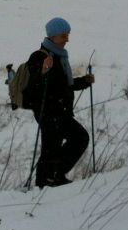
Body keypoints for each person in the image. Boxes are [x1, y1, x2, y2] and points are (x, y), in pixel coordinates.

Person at [25, 17, 95, 187]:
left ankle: (50, 178)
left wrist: (84, 81)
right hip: (47, 112)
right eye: (64, 35)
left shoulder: (60, 57)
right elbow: (33, 83)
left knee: (57, 146)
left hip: (60, 111)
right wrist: (43, 70)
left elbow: (64, 86)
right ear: (53, 36)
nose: (67, 39)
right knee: (68, 142)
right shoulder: (39, 56)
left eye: (68, 35)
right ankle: (48, 180)